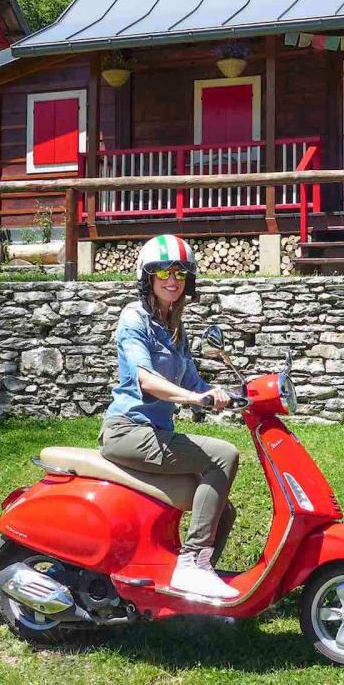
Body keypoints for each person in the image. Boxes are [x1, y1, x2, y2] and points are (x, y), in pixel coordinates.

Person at [99, 234, 240, 600]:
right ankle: (193, 563)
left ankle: (194, 595)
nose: (172, 278)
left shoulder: (175, 328)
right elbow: (146, 379)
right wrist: (194, 398)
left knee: (222, 512)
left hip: (154, 432)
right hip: (128, 430)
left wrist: (235, 392)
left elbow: (194, 380)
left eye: (179, 271)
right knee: (223, 456)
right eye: (162, 270)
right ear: (147, 277)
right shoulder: (134, 319)